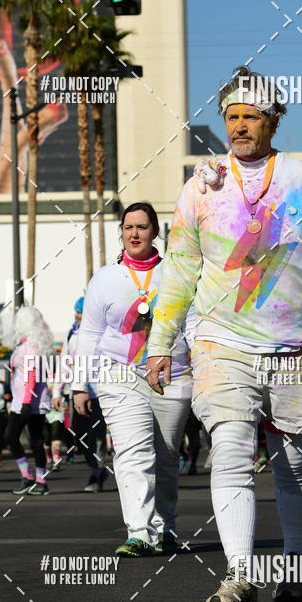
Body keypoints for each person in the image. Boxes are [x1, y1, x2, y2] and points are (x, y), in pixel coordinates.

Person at [146, 67, 302, 602]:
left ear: (273, 120)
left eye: (250, 117)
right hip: (220, 340)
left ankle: (291, 565)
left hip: (296, 342)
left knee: (292, 458)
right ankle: (238, 573)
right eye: (231, 117)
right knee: (230, 451)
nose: (238, 126)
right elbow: (180, 268)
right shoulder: (201, 187)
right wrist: (160, 343)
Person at [71, 202, 192, 557]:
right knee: (132, 451)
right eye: (128, 228)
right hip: (118, 375)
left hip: (172, 373)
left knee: (167, 457)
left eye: (142, 227)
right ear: (121, 233)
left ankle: (165, 526)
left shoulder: (177, 273)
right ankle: (139, 531)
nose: (135, 234)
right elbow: (89, 333)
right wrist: (80, 383)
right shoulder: (105, 278)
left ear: (155, 231)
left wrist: (204, 368)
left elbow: (194, 323)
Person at [5, 306, 54, 496]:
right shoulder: (25, 345)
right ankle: (30, 477)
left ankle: (38, 480)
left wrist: (26, 402)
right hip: (22, 400)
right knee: (23, 439)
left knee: (30, 440)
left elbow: (31, 376)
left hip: (31, 401)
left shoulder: (31, 348)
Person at [62, 297, 108, 492]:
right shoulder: (72, 334)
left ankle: (96, 474)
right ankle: (95, 467)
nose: (76, 315)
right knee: (79, 434)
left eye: (80, 312)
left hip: (99, 392)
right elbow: (64, 362)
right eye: (76, 312)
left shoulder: (103, 332)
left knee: (96, 436)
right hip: (79, 392)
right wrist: (58, 390)